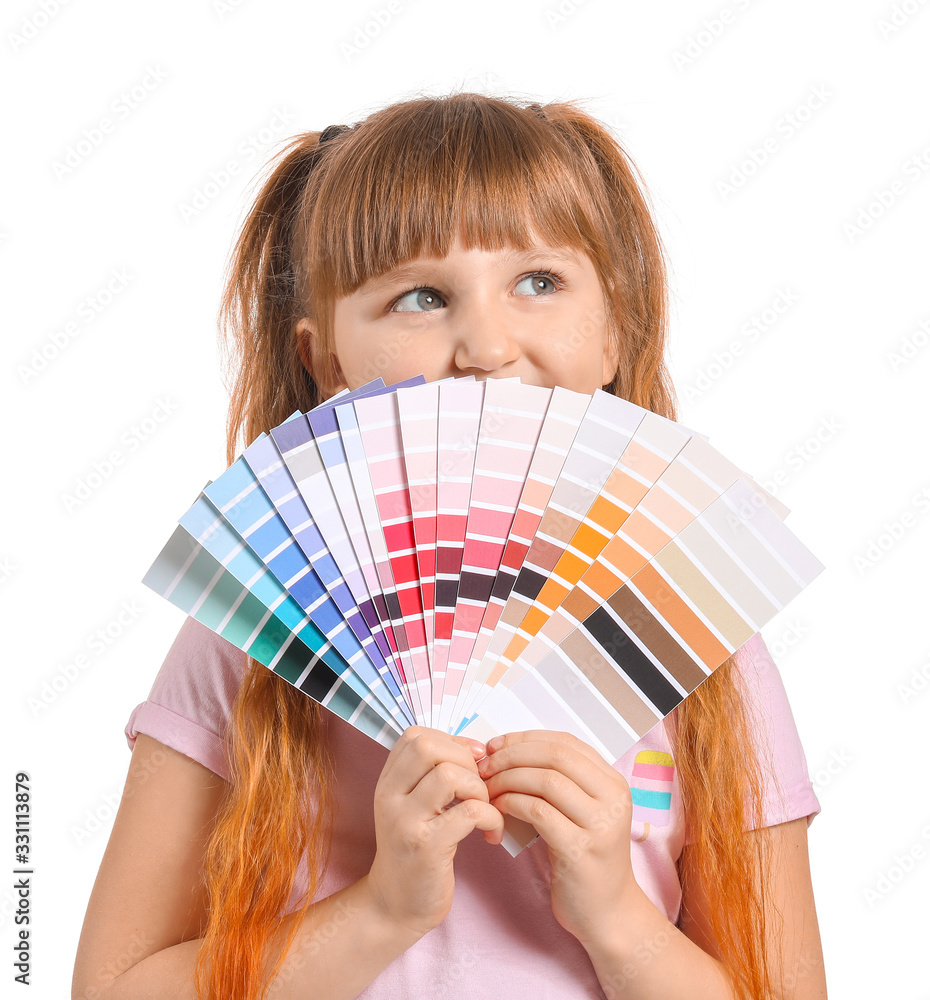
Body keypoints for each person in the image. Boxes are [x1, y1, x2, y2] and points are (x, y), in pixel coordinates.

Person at [72, 92, 828, 1000]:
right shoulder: (255, 629)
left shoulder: (700, 634)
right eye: (420, 297)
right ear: (327, 363)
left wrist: (617, 918)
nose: (486, 346)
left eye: (539, 281)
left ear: (615, 329)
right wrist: (385, 908)